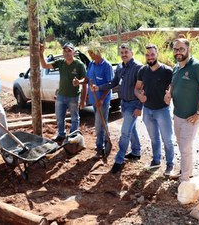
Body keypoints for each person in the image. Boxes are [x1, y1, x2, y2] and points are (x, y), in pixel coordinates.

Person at [164, 38, 199, 182]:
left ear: (188, 49)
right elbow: (173, 84)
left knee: (185, 148)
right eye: (175, 49)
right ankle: (186, 172)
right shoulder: (176, 67)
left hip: (191, 117)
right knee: (183, 146)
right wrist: (169, 94)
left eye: (181, 49)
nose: (178, 52)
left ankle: (184, 181)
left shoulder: (198, 67)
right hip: (177, 115)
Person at [92, 43, 143, 174]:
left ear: (132, 53)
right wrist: (99, 88)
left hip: (133, 104)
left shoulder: (138, 68)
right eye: (122, 53)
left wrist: (139, 107)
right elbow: (113, 83)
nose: (124, 54)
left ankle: (119, 160)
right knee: (131, 129)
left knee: (125, 132)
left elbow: (143, 89)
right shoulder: (120, 67)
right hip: (124, 103)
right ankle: (136, 151)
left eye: (126, 52)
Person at [134, 44, 175, 176]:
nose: (150, 57)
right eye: (147, 55)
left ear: (157, 54)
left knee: (167, 139)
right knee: (154, 138)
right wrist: (140, 96)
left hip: (162, 110)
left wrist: (170, 95)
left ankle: (170, 164)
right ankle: (156, 160)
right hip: (148, 110)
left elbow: (174, 86)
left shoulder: (167, 71)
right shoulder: (143, 71)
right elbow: (137, 88)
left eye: (152, 54)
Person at [73, 42, 114, 158]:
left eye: (92, 52)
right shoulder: (91, 64)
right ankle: (104, 144)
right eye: (89, 52)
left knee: (99, 124)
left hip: (103, 101)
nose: (90, 55)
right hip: (94, 100)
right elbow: (87, 78)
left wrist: (101, 99)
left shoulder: (107, 66)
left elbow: (110, 84)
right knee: (102, 123)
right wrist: (79, 82)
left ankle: (100, 148)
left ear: (99, 51)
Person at [40, 42, 86, 142]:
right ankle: (61, 134)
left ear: (73, 52)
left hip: (73, 96)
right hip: (61, 95)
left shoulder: (79, 65)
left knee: (74, 118)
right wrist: (41, 53)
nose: (67, 53)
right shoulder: (60, 62)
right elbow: (44, 65)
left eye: (69, 51)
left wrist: (79, 82)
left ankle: (73, 137)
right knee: (59, 117)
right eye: (65, 51)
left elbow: (85, 80)